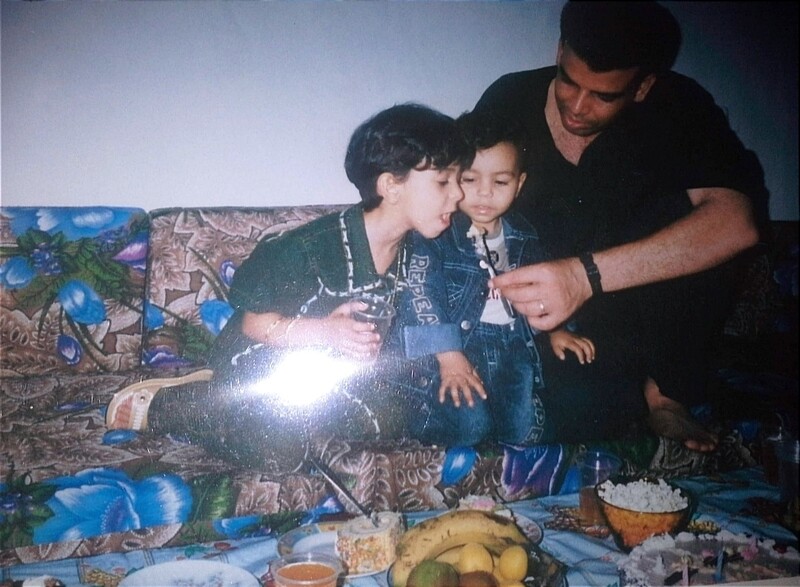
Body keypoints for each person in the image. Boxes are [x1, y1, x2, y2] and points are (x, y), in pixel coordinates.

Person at [106, 103, 473, 473]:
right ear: (391, 185)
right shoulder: (310, 248)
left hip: (319, 376)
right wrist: (326, 331)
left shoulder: (417, 251)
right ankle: (182, 403)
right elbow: (253, 325)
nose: (458, 195)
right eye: (444, 181)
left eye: (458, 181)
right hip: (258, 359)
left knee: (388, 422)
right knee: (279, 451)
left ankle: (240, 405)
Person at [474, 1, 769, 451]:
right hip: (545, 324)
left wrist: (583, 276)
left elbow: (737, 223)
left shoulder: (681, 106)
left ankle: (665, 393)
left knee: (693, 220)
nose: (576, 106)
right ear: (559, 50)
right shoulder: (510, 98)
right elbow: (457, 189)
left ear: (644, 85)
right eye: (568, 81)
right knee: (570, 412)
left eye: (603, 96)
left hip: (645, 315)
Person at [398, 110, 595, 446]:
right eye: (469, 180)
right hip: (457, 349)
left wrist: (556, 329)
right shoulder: (436, 235)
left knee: (526, 430)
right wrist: (448, 355)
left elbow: (542, 291)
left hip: (513, 349)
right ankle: (422, 420)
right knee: (471, 426)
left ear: (518, 184)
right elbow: (420, 293)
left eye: (500, 182)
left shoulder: (526, 237)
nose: (484, 193)